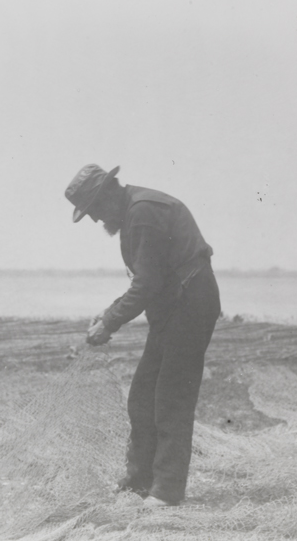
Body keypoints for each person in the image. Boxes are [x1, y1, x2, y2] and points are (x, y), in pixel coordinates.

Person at [64, 163, 221, 507]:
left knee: (170, 397)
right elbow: (150, 281)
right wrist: (109, 314)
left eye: (94, 209)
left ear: (109, 191)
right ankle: (139, 482)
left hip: (191, 304)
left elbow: (146, 283)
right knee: (141, 397)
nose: (95, 219)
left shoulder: (143, 212)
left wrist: (109, 321)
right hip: (173, 307)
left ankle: (166, 491)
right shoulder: (135, 212)